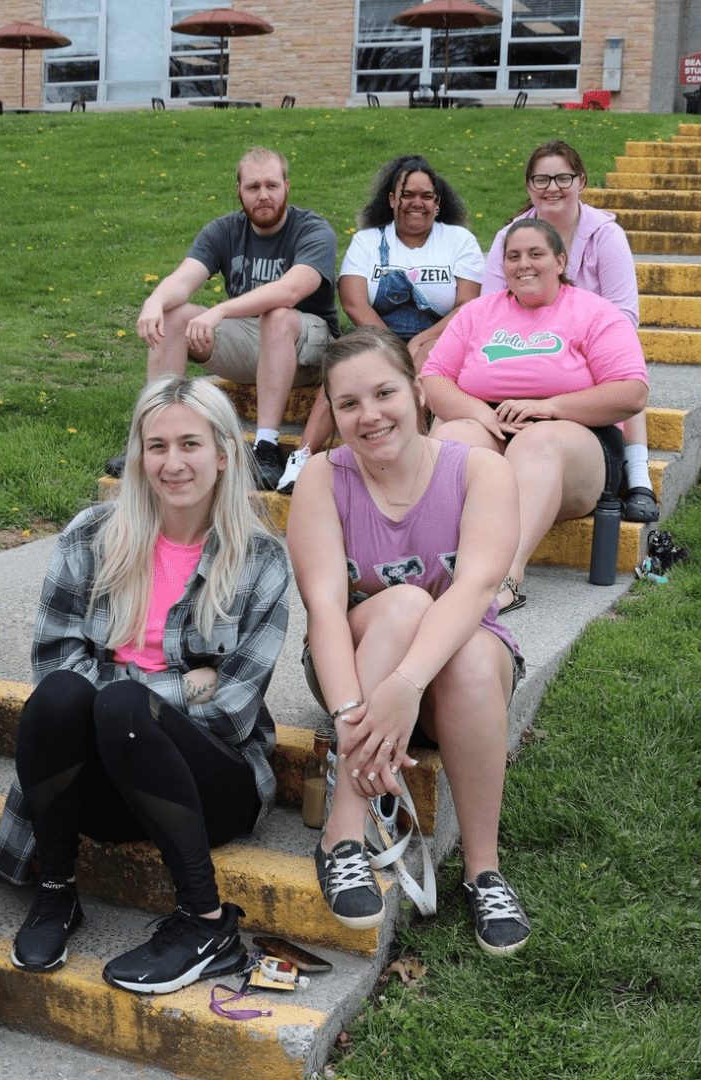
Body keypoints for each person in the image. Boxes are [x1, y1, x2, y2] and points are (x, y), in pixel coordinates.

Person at [0, 376, 289, 994]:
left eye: (190, 444)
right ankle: (56, 894)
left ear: (225, 453)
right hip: (108, 776)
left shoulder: (260, 559)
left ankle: (206, 923)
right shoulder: (91, 535)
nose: (172, 463)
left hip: (212, 783)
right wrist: (183, 684)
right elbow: (54, 664)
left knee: (121, 703)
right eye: (156, 447)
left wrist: (136, 698)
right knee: (63, 700)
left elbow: (233, 710)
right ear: (137, 453)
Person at [287, 326, 530, 956]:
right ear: (333, 414)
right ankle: (343, 836)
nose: (369, 416)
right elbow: (324, 608)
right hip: (355, 673)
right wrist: (348, 712)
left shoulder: (481, 472)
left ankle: (484, 871)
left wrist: (407, 685)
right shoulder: (322, 477)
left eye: (384, 393)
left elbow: (478, 589)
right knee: (402, 606)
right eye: (348, 404)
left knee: (474, 652)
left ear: (418, 391)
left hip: (448, 679)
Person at [423, 219, 650, 613]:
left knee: (536, 441)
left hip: (576, 440)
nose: (523, 264)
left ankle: (504, 579)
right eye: (513, 256)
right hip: (495, 423)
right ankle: (434, 567)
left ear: (560, 261)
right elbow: (434, 379)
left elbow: (632, 392)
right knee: (453, 438)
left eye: (535, 254)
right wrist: (480, 413)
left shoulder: (595, 313)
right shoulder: (477, 313)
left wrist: (550, 407)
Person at [107, 146, 340, 490]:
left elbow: (290, 291)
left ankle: (265, 447)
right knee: (174, 317)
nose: (263, 195)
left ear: (287, 187)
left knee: (277, 315)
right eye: (253, 187)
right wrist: (154, 301)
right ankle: (153, 438)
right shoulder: (224, 231)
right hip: (256, 342)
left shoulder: (312, 229)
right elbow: (184, 279)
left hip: (309, 346)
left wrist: (220, 311)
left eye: (272, 186)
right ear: (239, 192)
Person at [277, 155, 483, 494]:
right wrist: (389, 344)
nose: (417, 202)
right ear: (391, 199)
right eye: (407, 194)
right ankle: (302, 458)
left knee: (424, 360)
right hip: (375, 332)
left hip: (441, 334)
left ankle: (414, 457)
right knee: (347, 365)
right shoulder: (369, 241)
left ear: (437, 202)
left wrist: (420, 339)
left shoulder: (458, 240)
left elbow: (467, 304)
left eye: (427, 196)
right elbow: (354, 299)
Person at [482, 139, 658, 524]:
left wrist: (577, 342)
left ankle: (639, 476)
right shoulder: (509, 237)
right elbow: (488, 311)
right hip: (527, 344)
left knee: (626, 367)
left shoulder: (605, 236)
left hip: (592, 347)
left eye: (563, 177)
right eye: (541, 179)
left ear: (581, 181)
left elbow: (624, 315)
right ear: (529, 186)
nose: (552, 187)